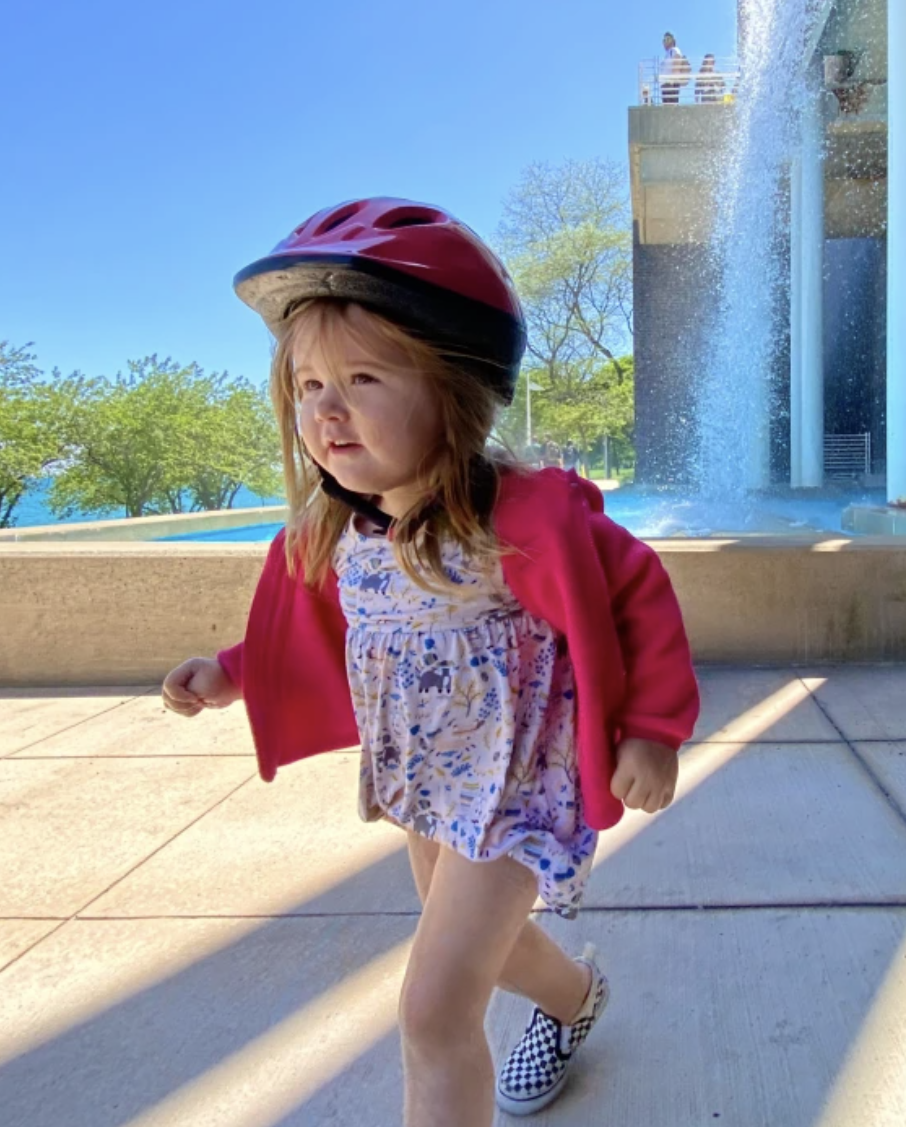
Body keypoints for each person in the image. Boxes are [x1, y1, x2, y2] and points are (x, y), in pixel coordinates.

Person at [161, 198, 700, 1127]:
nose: (324, 411)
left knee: (433, 1008)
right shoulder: (343, 534)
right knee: (478, 946)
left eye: (362, 378)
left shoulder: (520, 520)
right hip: (425, 778)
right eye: (305, 387)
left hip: (517, 787)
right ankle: (575, 998)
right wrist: (230, 671)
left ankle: (547, 1012)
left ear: (453, 391)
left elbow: (637, 601)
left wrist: (650, 729)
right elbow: (317, 633)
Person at [659, 31, 688, 104]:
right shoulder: (667, 54)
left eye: (667, 39)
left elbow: (677, 62)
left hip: (671, 83)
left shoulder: (674, 50)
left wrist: (673, 80)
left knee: (671, 104)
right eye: (664, 40)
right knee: (666, 106)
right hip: (665, 84)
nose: (665, 42)